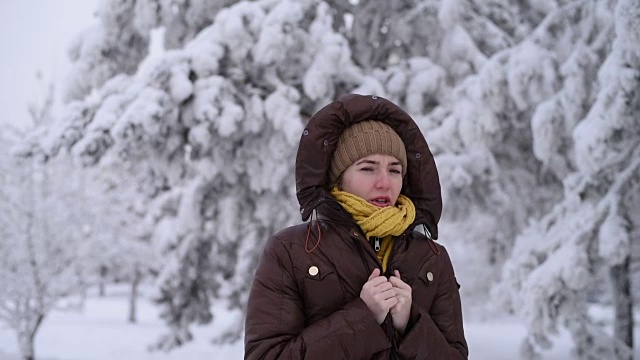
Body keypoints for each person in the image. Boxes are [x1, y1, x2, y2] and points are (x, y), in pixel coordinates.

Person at [244, 94, 468, 359]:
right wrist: (363, 316)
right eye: (367, 168)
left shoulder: (433, 257)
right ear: (338, 178)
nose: (385, 182)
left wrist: (411, 325)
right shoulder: (290, 251)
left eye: (395, 170)